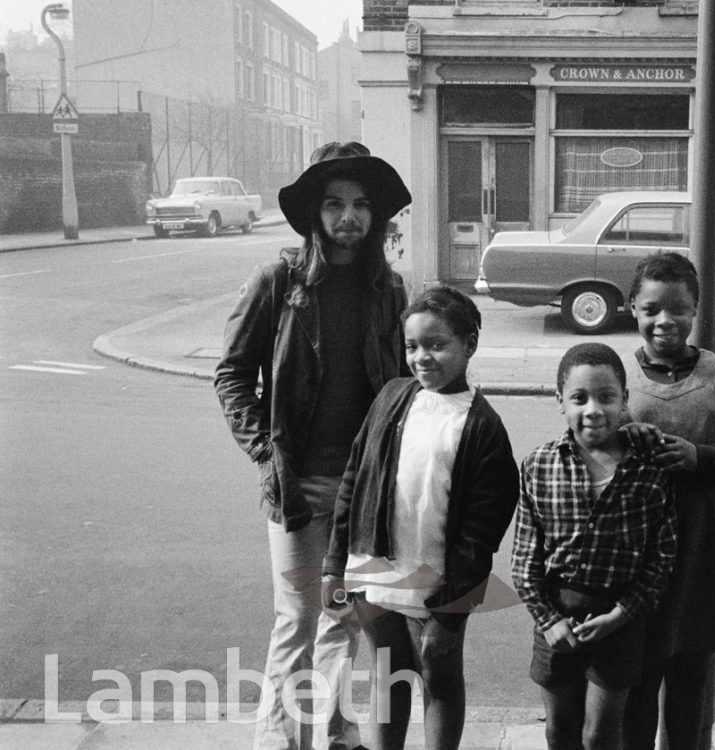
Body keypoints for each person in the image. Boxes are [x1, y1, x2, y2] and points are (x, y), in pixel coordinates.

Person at [213, 141, 411, 750]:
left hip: (367, 486)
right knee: (296, 619)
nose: (347, 217)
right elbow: (232, 375)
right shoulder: (280, 281)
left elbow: (403, 381)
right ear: (314, 214)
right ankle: (279, 740)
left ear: (376, 216)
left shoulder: (390, 290)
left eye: (359, 205)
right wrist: (266, 456)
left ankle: (324, 730)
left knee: (341, 618)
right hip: (297, 480)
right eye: (334, 204)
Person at [321, 286, 520, 750]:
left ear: (469, 345)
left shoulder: (482, 426)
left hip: (439, 583)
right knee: (388, 677)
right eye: (412, 346)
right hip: (376, 571)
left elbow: (483, 530)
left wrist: (451, 610)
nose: (422, 357)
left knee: (439, 675)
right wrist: (334, 565)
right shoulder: (392, 398)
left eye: (437, 345)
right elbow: (353, 481)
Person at [620, 253, 715, 750]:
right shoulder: (615, 373)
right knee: (634, 695)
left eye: (679, 309)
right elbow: (583, 447)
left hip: (703, 549)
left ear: (696, 310)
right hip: (633, 553)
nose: (665, 321)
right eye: (651, 309)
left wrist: (698, 457)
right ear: (633, 309)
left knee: (691, 698)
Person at [512, 342, 678, 750]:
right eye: (579, 398)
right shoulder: (540, 464)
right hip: (556, 615)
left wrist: (621, 616)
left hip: (618, 619)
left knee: (602, 734)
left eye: (607, 397)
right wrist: (548, 620)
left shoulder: (649, 470)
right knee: (559, 731)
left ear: (624, 400)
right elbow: (523, 560)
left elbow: (661, 559)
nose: (593, 410)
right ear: (559, 402)